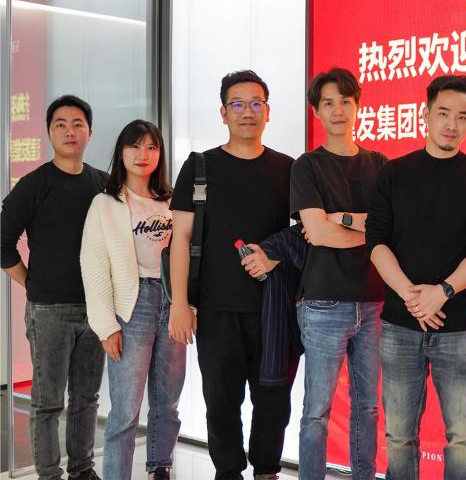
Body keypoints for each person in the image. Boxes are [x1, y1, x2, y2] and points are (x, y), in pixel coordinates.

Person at [366, 75, 466, 480]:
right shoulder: (393, 173)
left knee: (462, 437)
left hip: (458, 328)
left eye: (462, 116)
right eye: (443, 113)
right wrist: (412, 296)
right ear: (425, 115)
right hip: (399, 326)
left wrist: (443, 291)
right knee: (399, 436)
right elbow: (376, 242)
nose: (452, 125)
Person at [167, 70, 294, 480]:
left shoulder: (289, 169)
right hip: (217, 310)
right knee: (220, 402)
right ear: (223, 113)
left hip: (275, 311)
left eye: (256, 103)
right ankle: (228, 472)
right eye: (237, 104)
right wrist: (180, 304)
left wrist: (274, 256)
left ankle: (267, 471)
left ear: (268, 111)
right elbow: (180, 238)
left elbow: (305, 233)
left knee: (273, 402)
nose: (247, 112)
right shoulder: (199, 167)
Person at [1, 95, 106, 480]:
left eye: (77, 124)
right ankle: (49, 475)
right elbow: (3, 242)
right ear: (49, 132)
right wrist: (31, 283)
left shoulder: (103, 184)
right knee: (47, 402)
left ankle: (82, 470)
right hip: (49, 312)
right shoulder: (35, 184)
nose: (69, 131)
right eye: (60, 124)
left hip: (96, 310)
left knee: (86, 399)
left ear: (90, 131)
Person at [291, 68, 388, 480]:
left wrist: (340, 218)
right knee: (317, 410)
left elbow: (388, 229)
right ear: (316, 111)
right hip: (323, 302)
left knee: (369, 407)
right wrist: (366, 229)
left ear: (357, 106)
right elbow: (316, 232)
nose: (337, 110)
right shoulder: (308, 166)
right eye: (328, 103)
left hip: (374, 300)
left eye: (345, 102)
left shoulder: (379, 164)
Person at [80, 120, 184, 480]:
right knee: (125, 411)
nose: (143, 154)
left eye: (152, 147)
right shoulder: (106, 203)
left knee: (168, 401)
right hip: (132, 304)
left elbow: (189, 256)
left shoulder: (173, 201)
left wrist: (188, 305)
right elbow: (93, 264)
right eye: (135, 146)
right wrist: (106, 326)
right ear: (121, 153)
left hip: (172, 300)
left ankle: (160, 468)